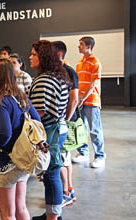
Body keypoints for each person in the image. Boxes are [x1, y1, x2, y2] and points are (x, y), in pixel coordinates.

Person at [0, 57, 40, 220]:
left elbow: (4, 132)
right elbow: (37, 121)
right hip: (22, 161)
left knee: (7, 214)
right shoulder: (20, 96)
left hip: (4, 162)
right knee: (21, 208)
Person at [27, 40, 71, 220]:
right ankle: (52, 213)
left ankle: (53, 217)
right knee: (51, 173)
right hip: (58, 128)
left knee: (51, 175)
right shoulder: (57, 76)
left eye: (34, 54)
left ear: (43, 57)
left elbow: (39, 112)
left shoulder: (44, 79)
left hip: (49, 131)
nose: (30, 57)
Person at [71, 36, 106, 168]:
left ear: (88, 47)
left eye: (81, 44)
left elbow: (93, 84)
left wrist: (83, 99)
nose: (78, 46)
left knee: (95, 130)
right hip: (81, 101)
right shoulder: (79, 63)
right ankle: (83, 153)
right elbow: (79, 83)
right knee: (81, 129)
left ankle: (100, 156)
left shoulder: (95, 62)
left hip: (91, 101)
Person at [52, 41, 79, 207]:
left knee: (61, 158)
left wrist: (66, 120)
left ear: (59, 54)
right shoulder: (63, 71)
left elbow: (74, 99)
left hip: (64, 121)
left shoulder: (67, 71)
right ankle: (69, 190)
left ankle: (65, 193)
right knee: (65, 157)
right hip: (64, 120)